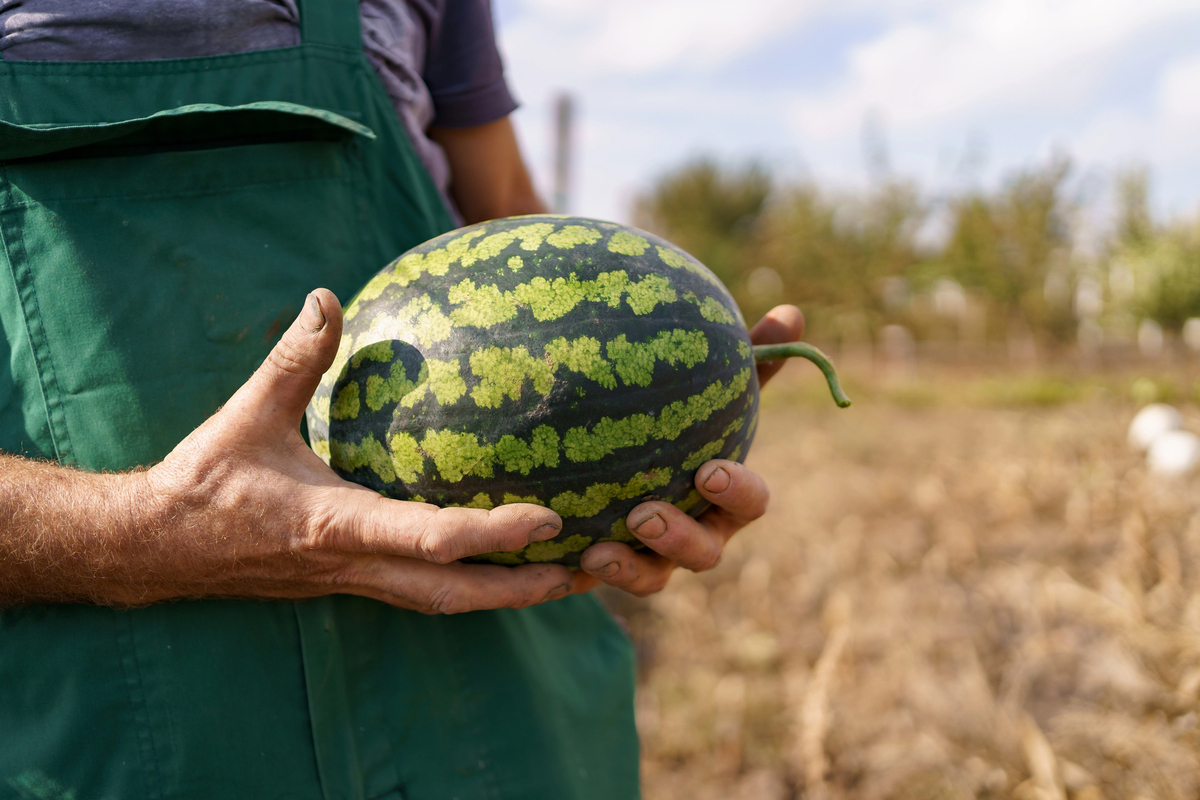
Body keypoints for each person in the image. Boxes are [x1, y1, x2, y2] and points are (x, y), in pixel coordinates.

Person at [0, 1, 805, 798]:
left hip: (484, 703)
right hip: (114, 727)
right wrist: (142, 534)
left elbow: (509, 217)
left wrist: (655, 410)